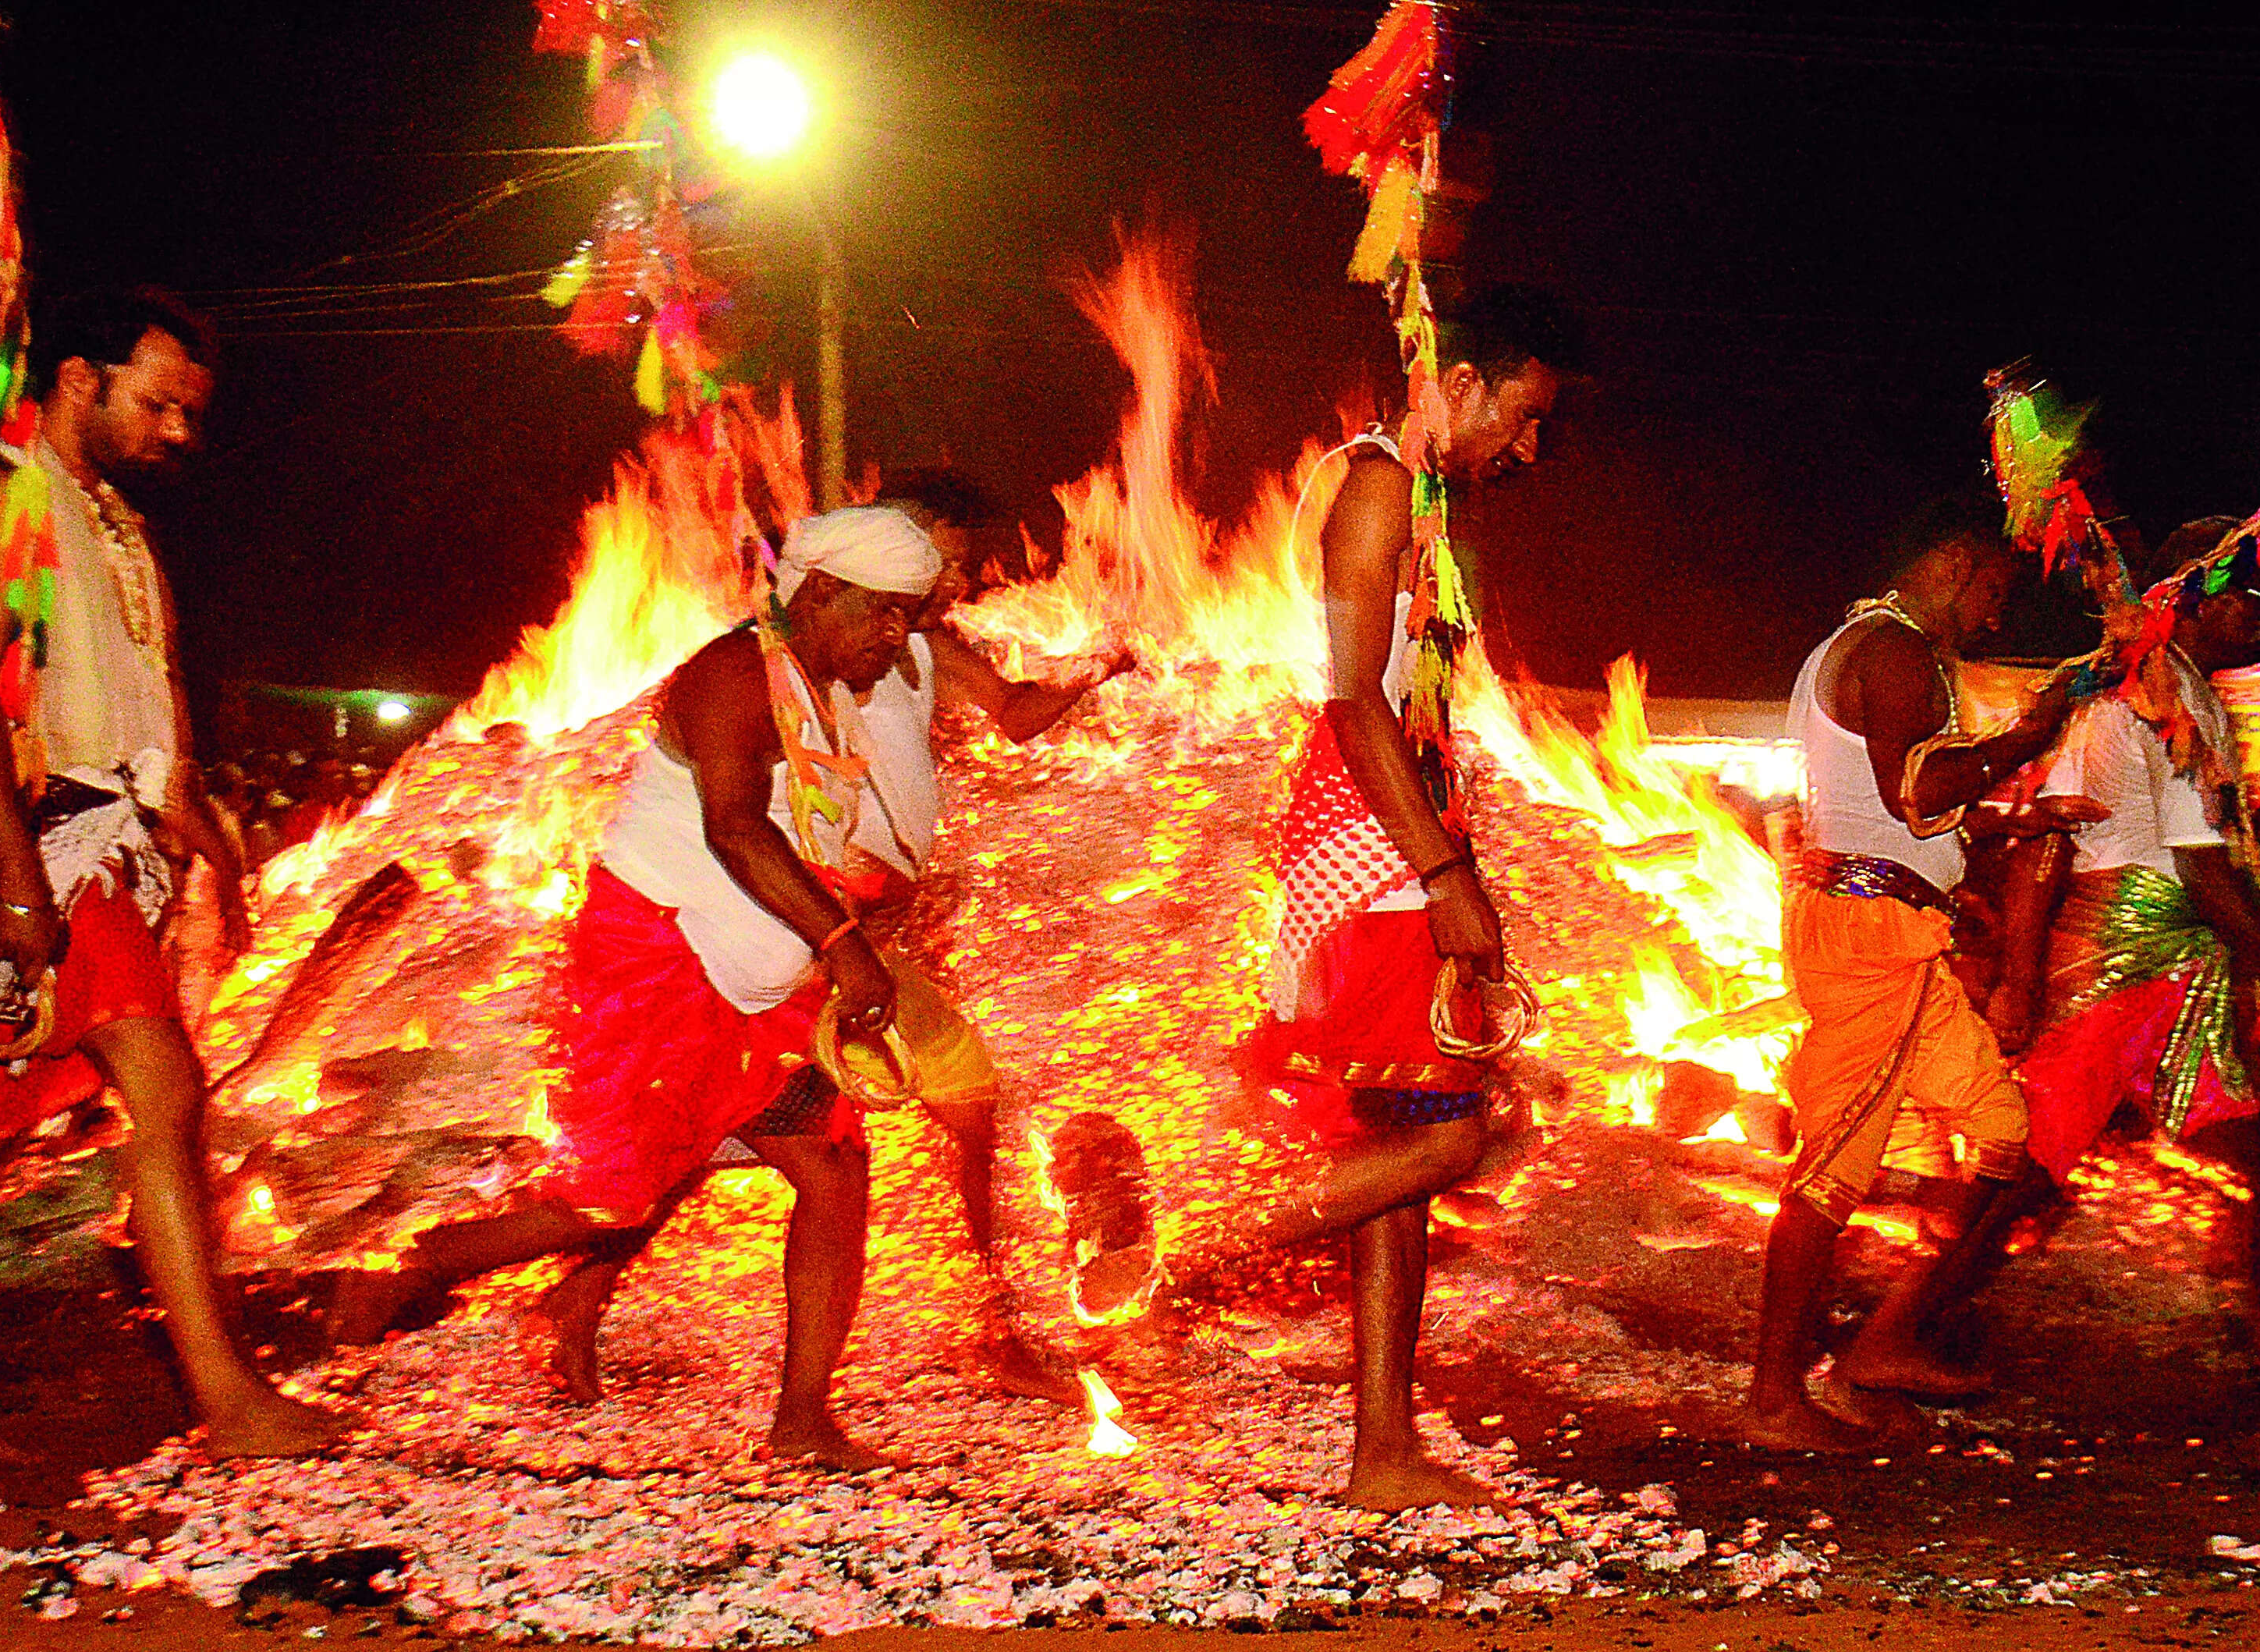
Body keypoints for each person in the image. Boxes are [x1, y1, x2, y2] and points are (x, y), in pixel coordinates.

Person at [328, 506, 942, 1470]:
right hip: (656, 965)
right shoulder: (734, 672)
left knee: (833, 1171)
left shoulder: (823, 687)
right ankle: (408, 1265)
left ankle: (802, 1419)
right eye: (884, 612)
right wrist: (843, 945)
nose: (897, 637)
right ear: (821, 592)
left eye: (910, 616)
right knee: (610, 1197)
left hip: (761, 991)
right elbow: (736, 828)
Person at [0, 288, 337, 1461]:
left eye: (189, 412)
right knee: (166, 1092)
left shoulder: (115, 525)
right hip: (42, 849)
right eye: (159, 404)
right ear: (80, 377)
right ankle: (228, 1399)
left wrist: (202, 828)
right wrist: (21, 886)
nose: (180, 432)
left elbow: (147, 701)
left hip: (103, 848)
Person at [528, 471, 1134, 1406]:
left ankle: (936, 1349)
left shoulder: (918, 646)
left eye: (953, 569)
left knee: (755, 1136)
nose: (946, 581)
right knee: (720, 1138)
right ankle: (988, 1333)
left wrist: (1095, 668)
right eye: (933, 559)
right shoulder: (812, 654)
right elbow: (742, 817)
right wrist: (838, 933)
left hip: (843, 933)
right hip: (807, 925)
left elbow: (1013, 714)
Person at [1219, 284, 1582, 1511]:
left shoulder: (1414, 495)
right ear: (1460, 384)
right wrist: (1441, 873)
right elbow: (1351, 699)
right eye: (1521, 414)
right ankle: (1197, 1244)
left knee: (1402, 1145)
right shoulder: (1376, 481)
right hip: (1368, 850)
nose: (1526, 445)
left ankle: (1381, 1446)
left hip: (1391, 835)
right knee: (1453, 1134)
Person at [1745, 490, 2083, 1451]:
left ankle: (1882, 1344)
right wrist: (2025, 740)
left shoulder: (1876, 647)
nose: (1997, 615)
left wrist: (2016, 821)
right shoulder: (1893, 650)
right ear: (1951, 562)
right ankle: (1772, 1402)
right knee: (1828, 1171)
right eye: (1995, 588)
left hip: (1895, 930)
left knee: (2001, 1127)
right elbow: (1915, 794)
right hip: (1868, 937)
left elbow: (1907, 810)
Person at [2012, 518, 2260, 1449]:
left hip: (2164, 956)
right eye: (2253, 597)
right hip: (2127, 957)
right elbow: (2189, 867)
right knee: (2025, 1175)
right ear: (2194, 600)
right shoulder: (2147, 692)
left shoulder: (2169, 686)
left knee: (2251, 1174)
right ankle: (1885, 1338)